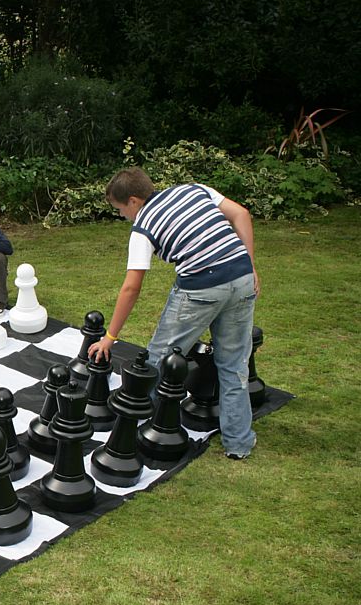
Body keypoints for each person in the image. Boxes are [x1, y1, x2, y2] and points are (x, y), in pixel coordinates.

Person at [88, 167, 260, 460]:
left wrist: (110, 337)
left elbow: (131, 287)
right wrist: (250, 265)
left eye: (119, 210)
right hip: (242, 278)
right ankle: (239, 444)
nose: (122, 217)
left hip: (200, 289)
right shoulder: (194, 188)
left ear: (133, 201)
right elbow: (241, 213)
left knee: (158, 359)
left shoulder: (143, 227)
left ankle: (138, 428)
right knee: (234, 364)